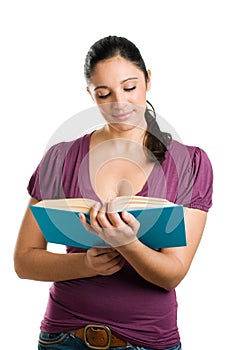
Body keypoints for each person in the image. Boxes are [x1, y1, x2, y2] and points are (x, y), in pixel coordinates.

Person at [14, 35, 213, 350]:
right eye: (104, 93)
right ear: (90, 94)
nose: (119, 104)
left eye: (129, 88)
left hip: (146, 342)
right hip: (62, 337)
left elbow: (172, 275)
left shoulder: (190, 162)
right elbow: (24, 261)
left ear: (148, 80)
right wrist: (86, 265)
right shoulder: (61, 158)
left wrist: (128, 245)